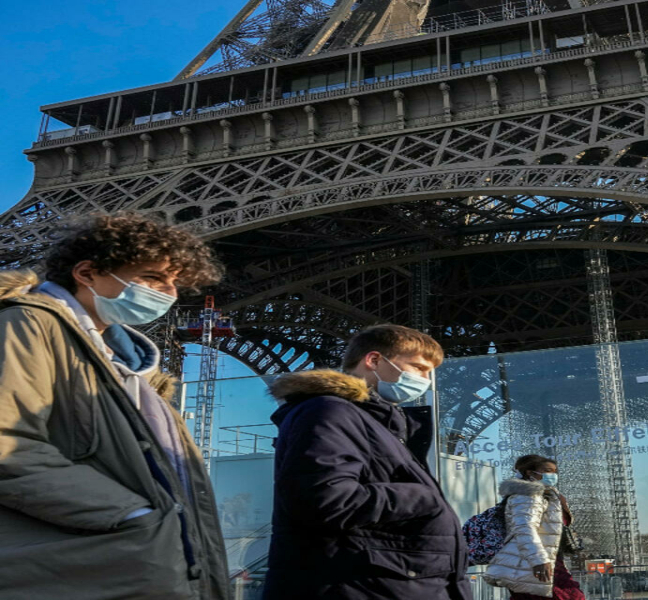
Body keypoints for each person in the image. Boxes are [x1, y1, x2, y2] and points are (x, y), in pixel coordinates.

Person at [0, 214, 228, 599]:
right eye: (153, 278)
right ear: (87, 272)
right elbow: (7, 443)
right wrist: (133, 516)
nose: (169, 292)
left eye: (175, 282)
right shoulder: (28, 323)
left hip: (136, 570)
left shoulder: (135, 372)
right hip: (87, 569)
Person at [263, 324, 470, 599]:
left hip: (384, 583)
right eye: (419, 367)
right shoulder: (329, 411)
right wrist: (424, 497)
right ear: (373, 360)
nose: (427, 379)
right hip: (363, 586)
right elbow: (324, 499)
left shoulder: (378, 423)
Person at [484, 454, 586, 599]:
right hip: (533, 562)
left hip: (544, 560)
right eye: (547, 470)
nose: (553, 475)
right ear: (530, 473)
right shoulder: (528, 495)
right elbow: (524, 528)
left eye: (554, 471)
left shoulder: (548, 495)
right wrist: (539, 560)